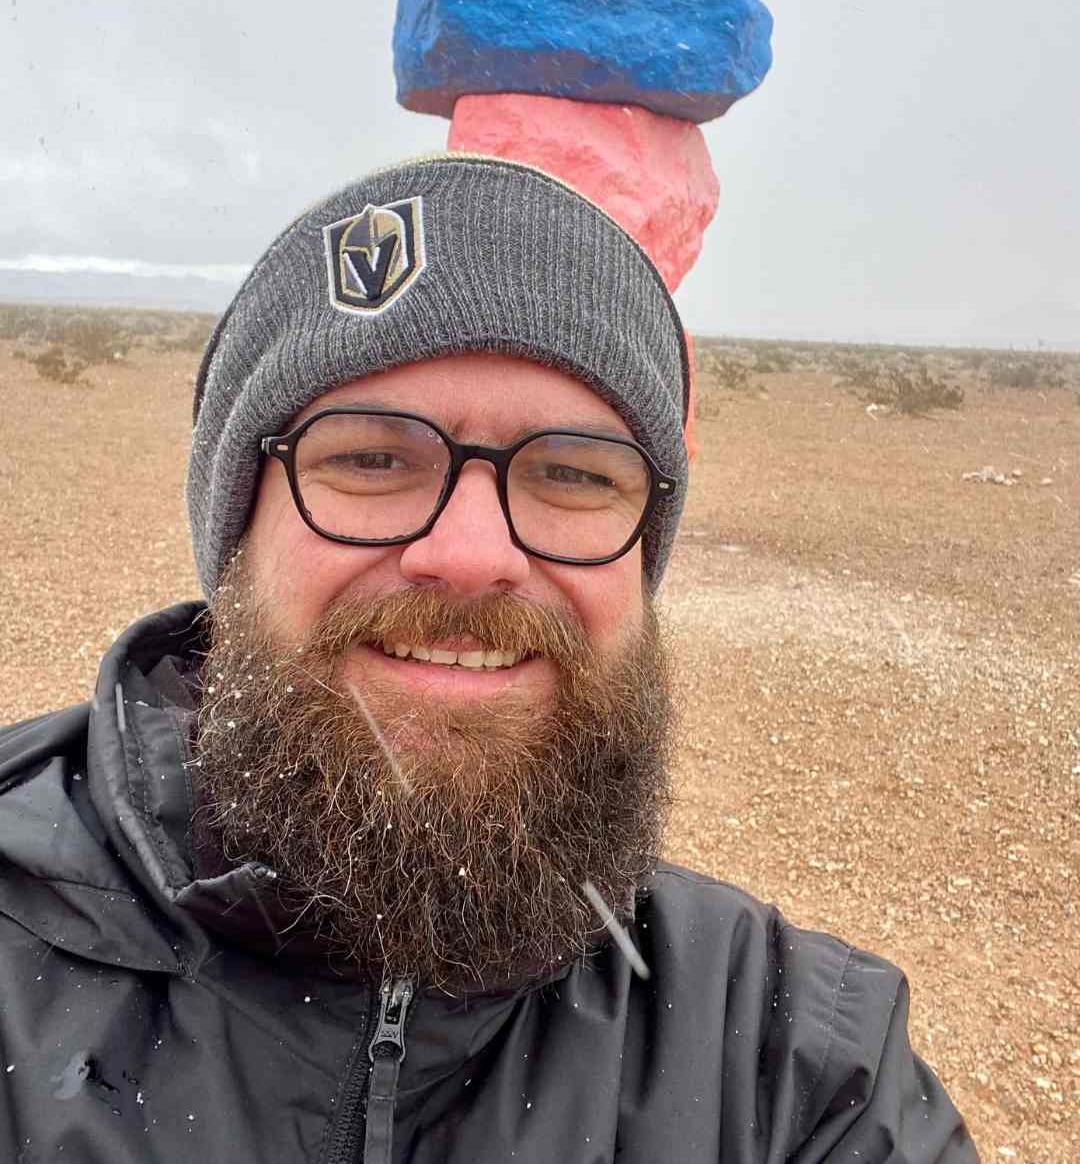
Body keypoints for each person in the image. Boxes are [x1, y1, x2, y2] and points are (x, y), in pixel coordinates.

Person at [0, 155, 979, 1163]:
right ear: (238, 530)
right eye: (371, 459)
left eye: (572, 474)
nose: (471, 556)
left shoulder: (792, 1070)